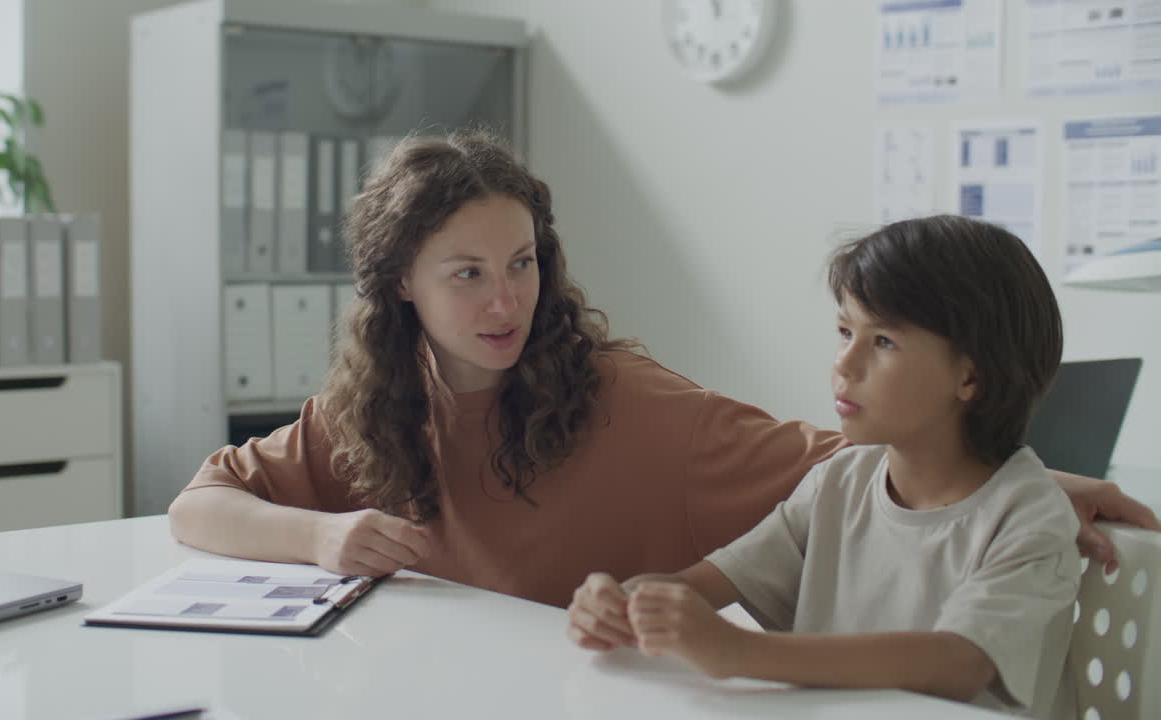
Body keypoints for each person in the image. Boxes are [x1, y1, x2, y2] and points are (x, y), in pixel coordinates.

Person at [169, 130, 1158, 610]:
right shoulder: (371, 406)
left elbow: (853, 467)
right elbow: (200, 506)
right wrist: (323, 535)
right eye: (466, 274)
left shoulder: (628, 405)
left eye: (522, 264)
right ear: (400, 285)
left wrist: (1029, 482)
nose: (505, 302)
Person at [567, 216, 1088, 718]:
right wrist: (623, 603)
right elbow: (705, 584)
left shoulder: (1030, 516)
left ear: (969, 378)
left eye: (883, 342)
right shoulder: (838, 482)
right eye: (844, 331)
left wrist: (740, 652)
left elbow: (958, 663)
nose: (844, 363)